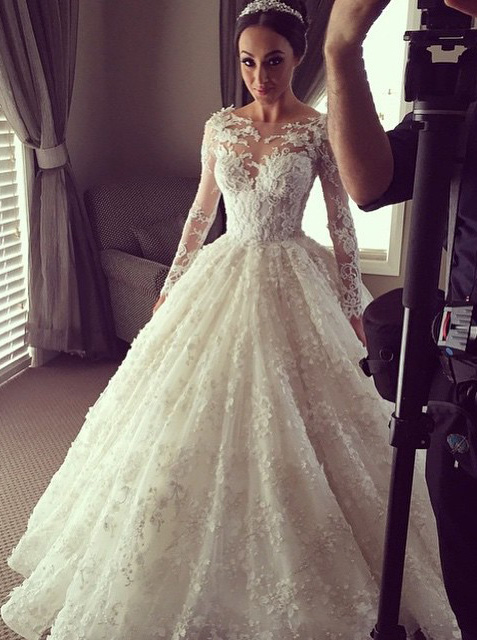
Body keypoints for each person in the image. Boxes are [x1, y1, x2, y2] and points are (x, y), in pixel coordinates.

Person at [0, 1, 459, 638]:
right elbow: (200, 212)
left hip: (293, 272)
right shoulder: (220, 127)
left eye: (273, 61)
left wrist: (353, 305)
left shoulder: (318, 129)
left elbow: (341, 221)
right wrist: (173, 285)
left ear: (298, 58)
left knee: (305, 410)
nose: (259, 76)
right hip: (224, 268)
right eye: (248, 62)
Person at [324, 1, 477, 639]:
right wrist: (341, 49)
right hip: (465, 370)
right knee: (467, 572)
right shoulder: (462, 73)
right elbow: (369, 181)